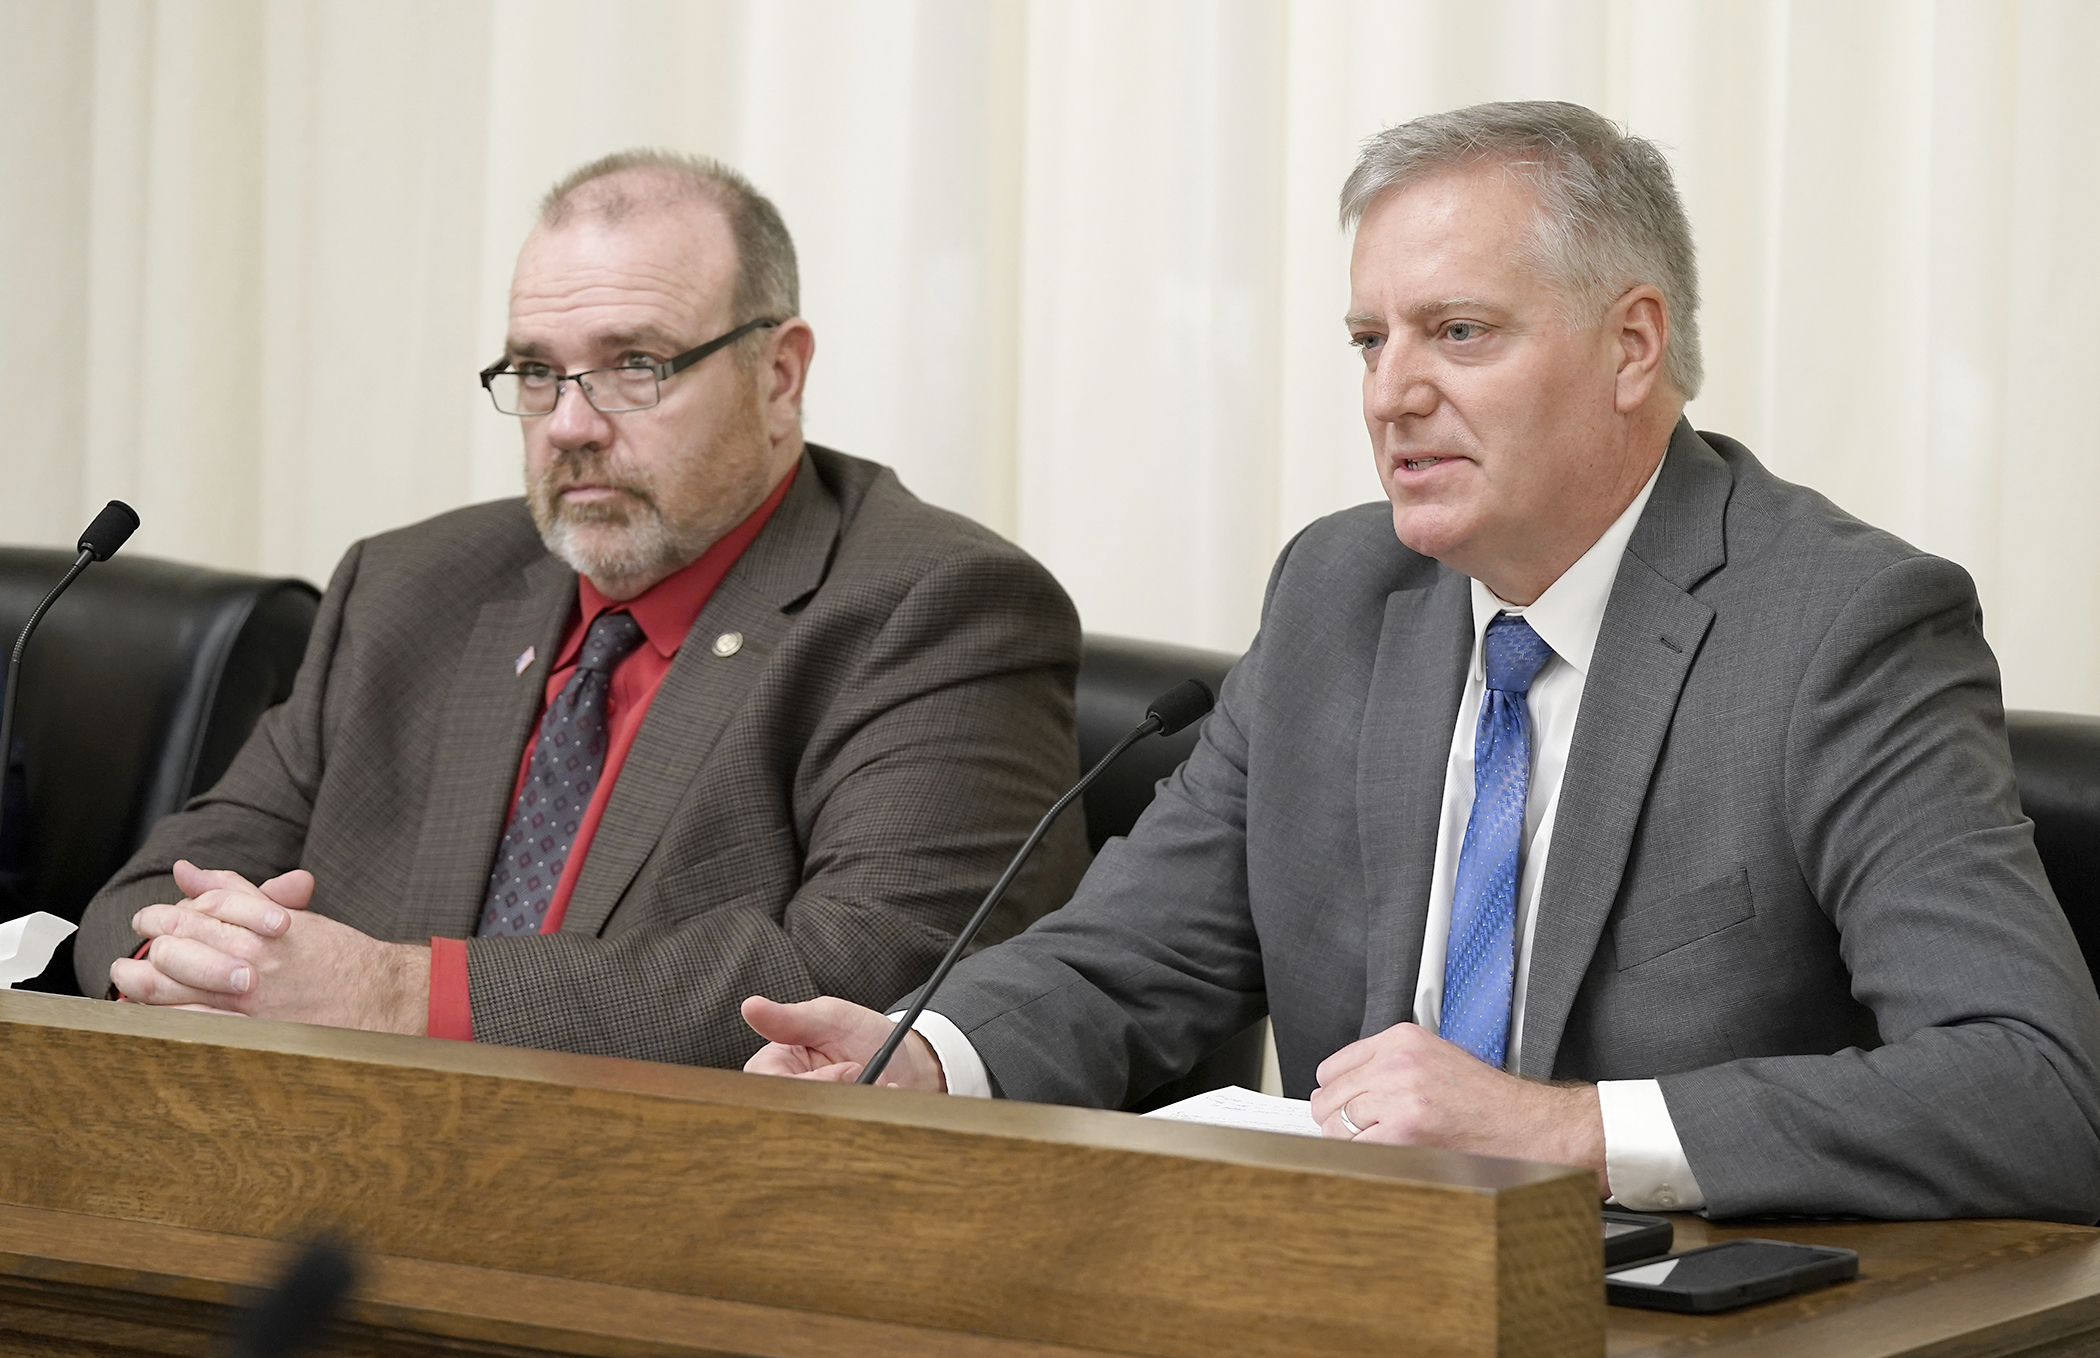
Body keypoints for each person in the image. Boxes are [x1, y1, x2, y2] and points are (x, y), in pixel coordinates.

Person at [742, 102, 2100, 1223]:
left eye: (1458, 332)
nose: (1391, 392)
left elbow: (2036, 1086)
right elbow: (1133, 951)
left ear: (1633, 345)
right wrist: (923, 1053)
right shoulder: (1341, 589)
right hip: (1354, 1297)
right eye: (1368, 340)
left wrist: (1560, 1130)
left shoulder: (1839, 627)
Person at [77, 150, 1091, 1068]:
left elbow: (860, 976)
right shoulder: (409, 585)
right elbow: (149, 894)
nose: (569, 424)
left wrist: (393, 994)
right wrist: (202, 967)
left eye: (634, 366)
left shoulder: (937, 607)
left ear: (778, 376)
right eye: (535, 370)